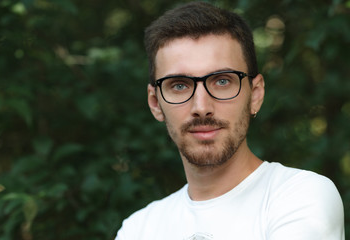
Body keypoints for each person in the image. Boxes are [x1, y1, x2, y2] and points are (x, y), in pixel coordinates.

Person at [115, 2, 345, 239]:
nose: (201, 108)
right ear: (155, 103)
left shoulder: (301, 195)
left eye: (222, 81)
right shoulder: (139, 228)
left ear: (255, 95)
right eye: (180, 85)